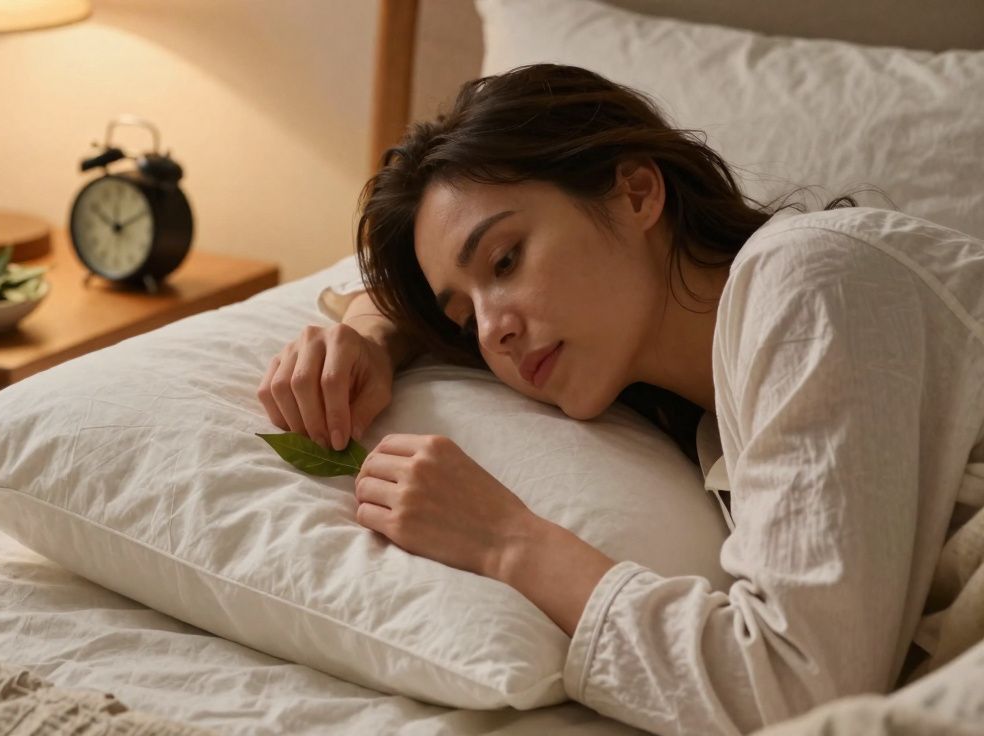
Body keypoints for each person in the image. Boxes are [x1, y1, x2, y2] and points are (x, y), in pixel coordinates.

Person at [255, 63, 984, 735]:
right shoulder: (711, 419)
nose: (493, 331)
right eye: (462, 319)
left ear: (637, 192)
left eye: (506, 259)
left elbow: (801, 687)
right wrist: (376, 333)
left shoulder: (807, 280)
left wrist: (509, 542)